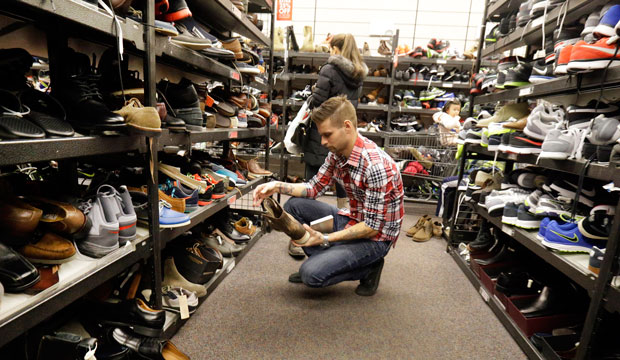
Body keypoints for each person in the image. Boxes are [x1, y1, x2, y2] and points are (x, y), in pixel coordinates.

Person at [253, 96, 404, 296]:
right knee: (294, 206)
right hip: (353, 219)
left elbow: (372, 227)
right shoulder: (337, 153)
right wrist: (275, 186)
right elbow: (314, 188)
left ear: (347, 126)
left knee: (311, 275)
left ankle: (370, 267)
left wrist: (324, 238)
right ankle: (327, 259)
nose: (323, 142)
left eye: (327, 135)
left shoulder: (376, 167)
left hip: (375, 239)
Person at [291, 33, 368, 260]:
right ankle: (348, 230)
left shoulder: (329, 69)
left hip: (322, 132)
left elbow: (318, 102)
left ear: (335, 48)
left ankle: (298, 237)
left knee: (311, 181)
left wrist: (311, 95)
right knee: (346, 182)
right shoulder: (358, 73)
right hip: (343, 134)